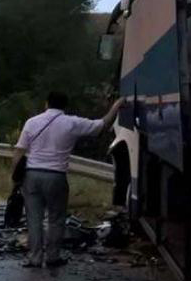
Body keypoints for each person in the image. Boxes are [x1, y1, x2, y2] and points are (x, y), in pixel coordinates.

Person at [12, 92, 122, 268]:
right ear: (65, 106)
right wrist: (116, 106)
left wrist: (16, 178)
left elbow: (19, 151)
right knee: (56, 218)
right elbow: (102, 125)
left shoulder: (32, 122)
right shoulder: (72, 123)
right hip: (56, 176)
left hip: (32, 175)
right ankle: (53, 257)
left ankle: (34, 258)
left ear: (46, 103)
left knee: (34, 219)